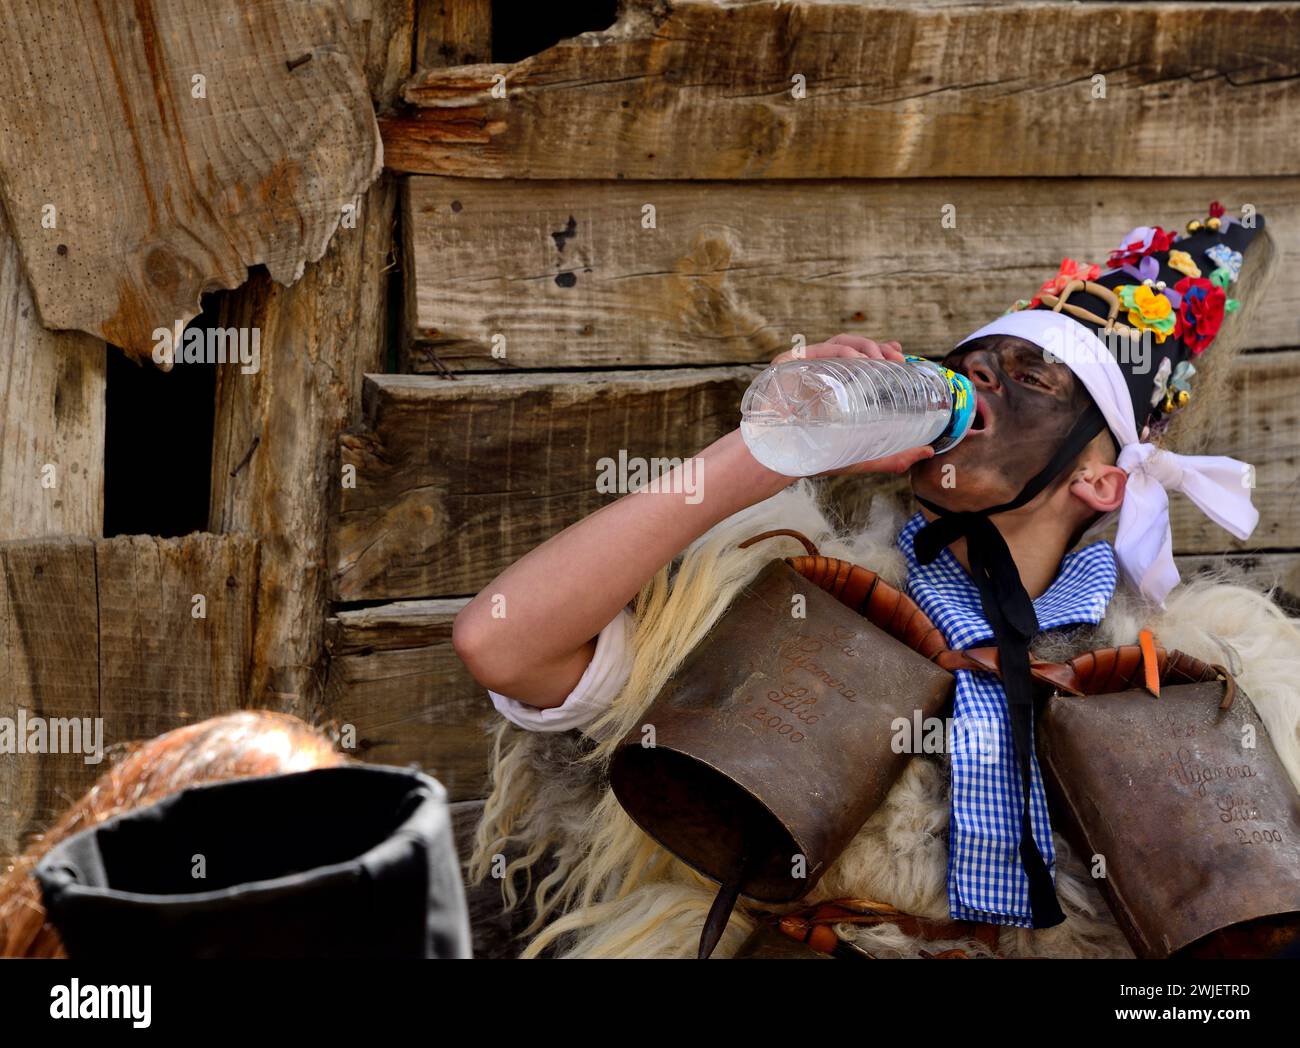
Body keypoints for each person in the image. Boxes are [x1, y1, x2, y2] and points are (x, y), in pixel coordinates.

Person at [454, 203, 1300, 958]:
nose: (981, 386)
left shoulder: (1189, 677)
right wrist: (765, 449)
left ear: (1101, 481)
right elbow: (503, 642)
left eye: (1031, 380)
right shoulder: (790, 593)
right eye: (974, 366)